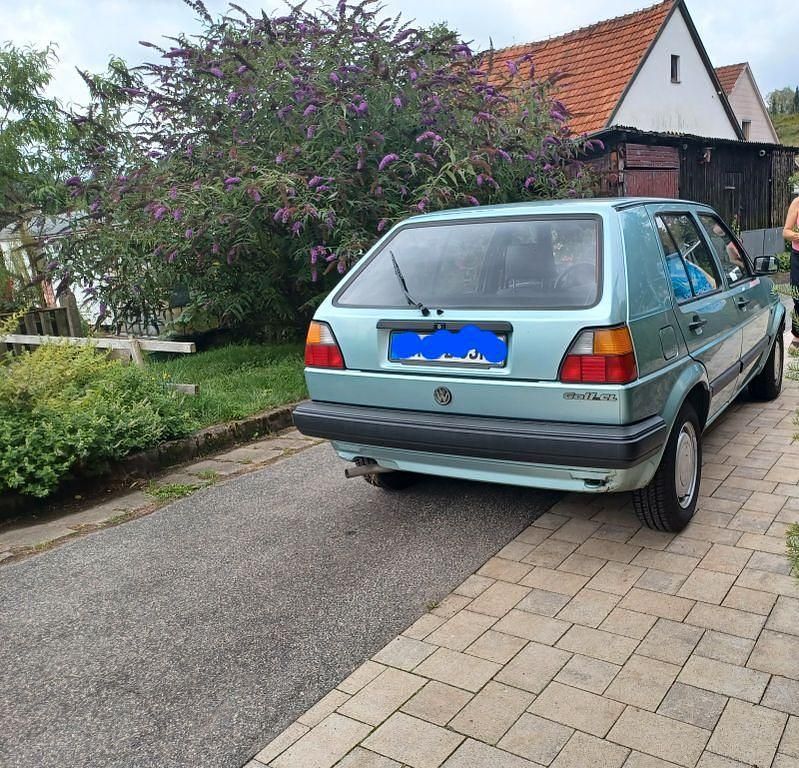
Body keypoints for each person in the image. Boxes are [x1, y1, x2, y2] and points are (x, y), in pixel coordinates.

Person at [783, 196, 799, 341]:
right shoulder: (797, 202)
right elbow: (786, 232)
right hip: (798, 256)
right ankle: (797, 335)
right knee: (797, 295)